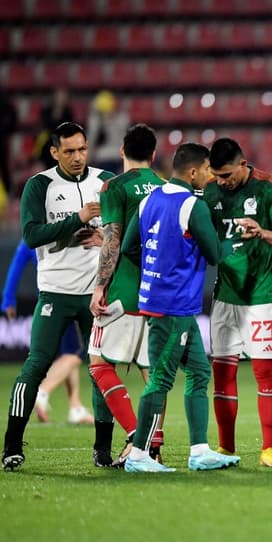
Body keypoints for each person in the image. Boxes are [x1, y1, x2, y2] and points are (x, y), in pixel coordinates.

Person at [121, 142, 240, 473]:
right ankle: (139, 455)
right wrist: (239, 237)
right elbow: (215, 254)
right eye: (206, 171)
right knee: (159, 379)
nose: (209, 176)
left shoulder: (149, 200)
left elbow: (130, 247)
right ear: (192, 172)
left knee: (200, 372)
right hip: (173, 306)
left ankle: (199, 451)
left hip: (168, 303)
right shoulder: (192, 205)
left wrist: (157, 269)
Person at [2, 122, 110, 472]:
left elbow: (126, 229)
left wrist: (104, 237)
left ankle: (103, 451)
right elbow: (32, 235)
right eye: (69, 152)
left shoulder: (104, 181)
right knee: (36, 365)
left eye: (82, 149)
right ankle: (11, 447)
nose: (78, 157)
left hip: (94, 293)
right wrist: (76, 220)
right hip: (55, 292)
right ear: (54, 152)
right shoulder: (40, 185)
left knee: (102, 371)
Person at [203, 137, 272, 468]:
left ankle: (268, 449)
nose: (221, 181)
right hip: (225, 294)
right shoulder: (210, 191)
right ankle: (226, 448)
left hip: (262, 295)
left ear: (243, 165)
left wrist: (262, 233)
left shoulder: (269, 188)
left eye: (226, 175)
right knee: (222, 373)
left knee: (264, 373)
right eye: (216, 175)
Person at [88, 123, 167, 467]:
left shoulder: (114, 187)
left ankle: (138, 437)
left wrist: (100, 285)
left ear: (122, 151)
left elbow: (113, 238)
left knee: (99, 363)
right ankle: (155, 444)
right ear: (153, 155)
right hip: (159, 292)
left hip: (123, 290)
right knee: (151, 371)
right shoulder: (167, 188)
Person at [3, 238, 94, 425]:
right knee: (78, 353)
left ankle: (75, 407)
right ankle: (42, 392)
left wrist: (9, 298)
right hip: (66, 295)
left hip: (46, 299)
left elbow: (17, 265)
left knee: (70, 353)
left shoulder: (34, 235)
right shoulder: (58, 232)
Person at [86, 90, 131, 174]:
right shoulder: (95, 122)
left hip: (116, 158)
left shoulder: (121, 119)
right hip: (104, 159)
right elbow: (91, 142)